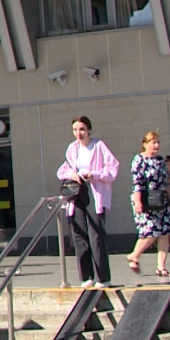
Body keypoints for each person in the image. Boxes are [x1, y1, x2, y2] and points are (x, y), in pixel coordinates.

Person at [57, 116, 119, 289]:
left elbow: (113, 168)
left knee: (96, 235)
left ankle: (103, 277)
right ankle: (87, 275)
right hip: (78, 192)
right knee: (79, 234)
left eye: (82, 129)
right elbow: (63, 170)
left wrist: (95, 175)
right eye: (76, 130)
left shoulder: (98, 146)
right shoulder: (72, 148)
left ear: (89, 130)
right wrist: (72, 175)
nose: (79, 133)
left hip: (94, 192)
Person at [125, 131, 170, 278]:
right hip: (146, 198)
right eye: (154, 142)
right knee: (150, 231)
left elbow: (165, 182)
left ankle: (161, 267)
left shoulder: (160, 160)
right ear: (145, 144)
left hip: (160, 199)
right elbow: (137, 182)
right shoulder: (139, 160)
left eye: (158, 142)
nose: (157, 145)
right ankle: (134, 255)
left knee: (164, 233)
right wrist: (138, 202)